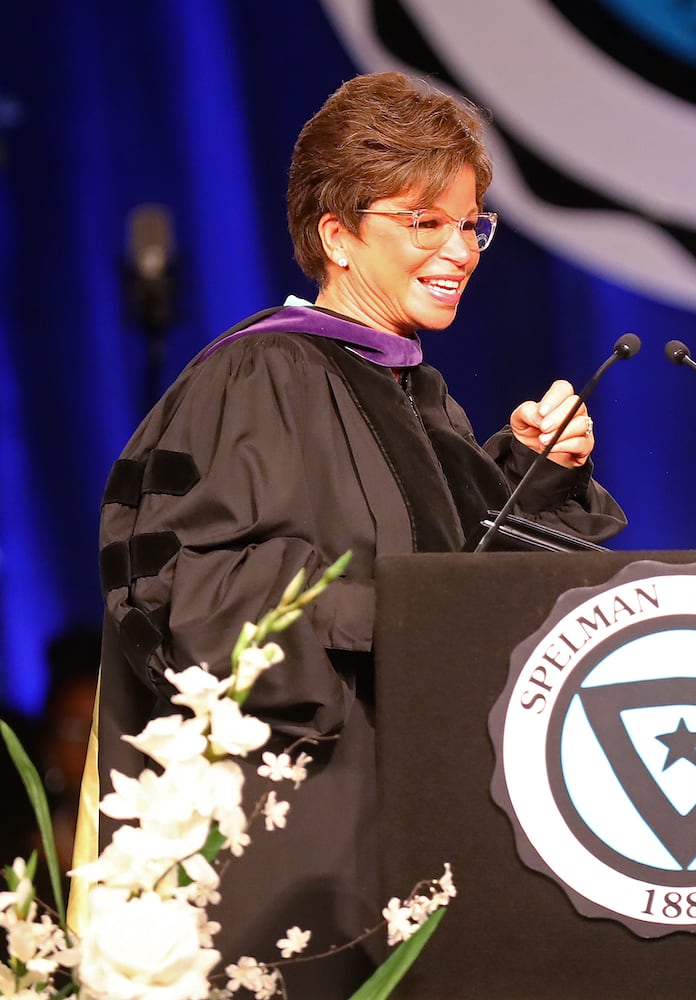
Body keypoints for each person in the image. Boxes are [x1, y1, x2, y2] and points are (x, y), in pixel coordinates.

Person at [85, 72, 626, 993]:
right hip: (299, 863)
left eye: (472, 223)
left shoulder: (407, 391)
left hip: (414, 840)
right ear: (336, 234)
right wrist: (398, 614)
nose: (461, 249)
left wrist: (538, 483)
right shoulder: (261, 377)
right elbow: (191, 601)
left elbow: (470, 584)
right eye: (426, 222)